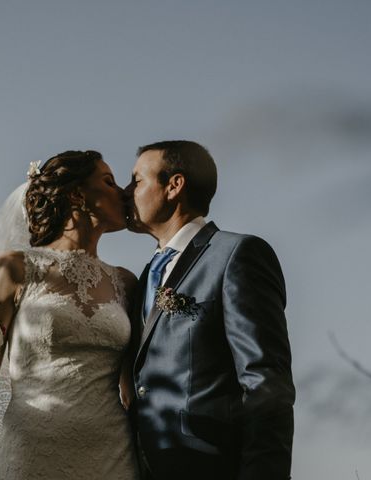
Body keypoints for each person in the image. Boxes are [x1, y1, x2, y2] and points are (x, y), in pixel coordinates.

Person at [0, 150, 140, 479]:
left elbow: (131, 390)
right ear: (76, 194)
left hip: (112, 452)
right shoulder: (14, 269)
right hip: (34, 452)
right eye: (109, 181)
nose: (123, 192)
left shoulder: (126, 282)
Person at [124, 140, 295, 480]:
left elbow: (265, 383)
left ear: (174, 185)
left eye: (137, 181)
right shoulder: (144, 277)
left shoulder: (237, 255)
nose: (126, 192)